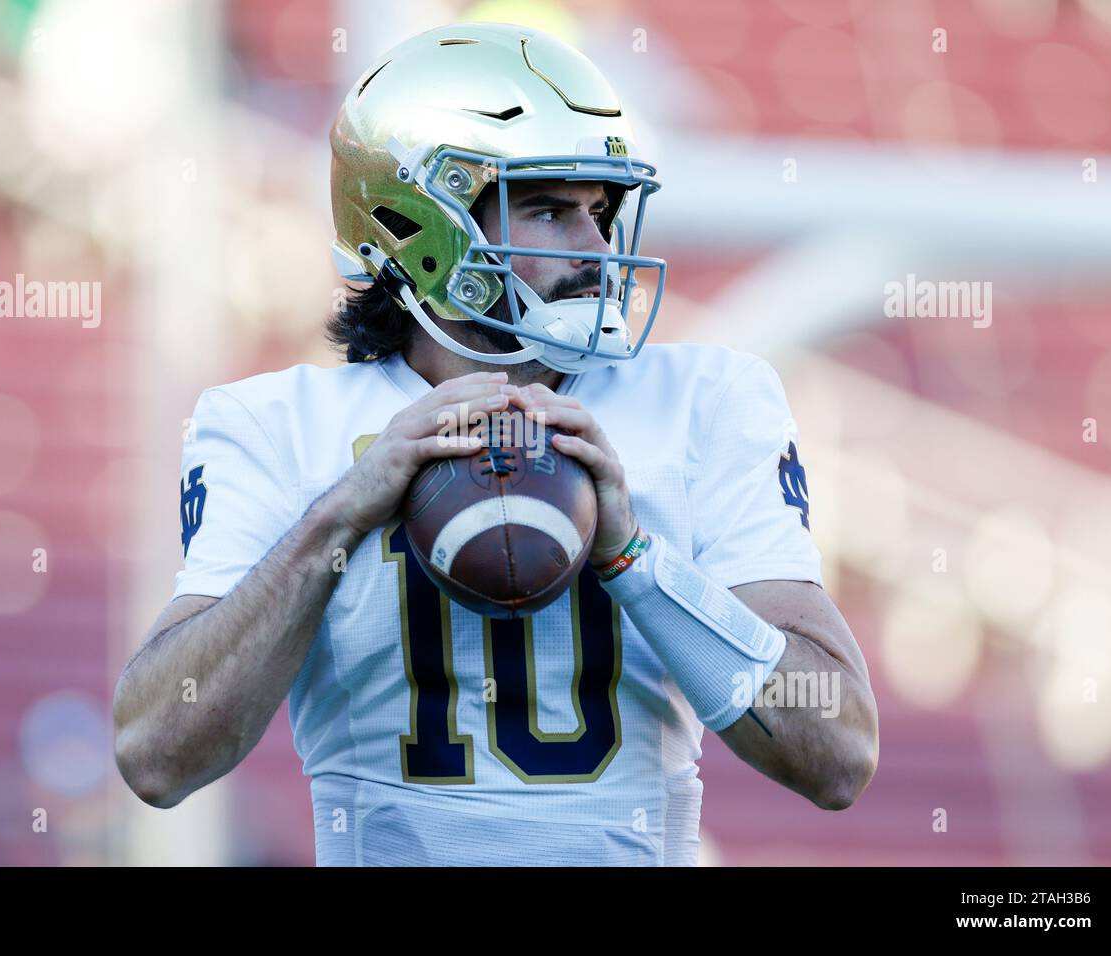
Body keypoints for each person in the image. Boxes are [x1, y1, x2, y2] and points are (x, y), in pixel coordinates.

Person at [113, 21, 878, 866]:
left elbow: (837, 754)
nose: (598, 251)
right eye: (551, 210)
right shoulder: (274, 424)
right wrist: (336, 520)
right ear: (420, 227)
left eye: (601, 210)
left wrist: (636, 559)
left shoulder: (709, 399)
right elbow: (157, 752)